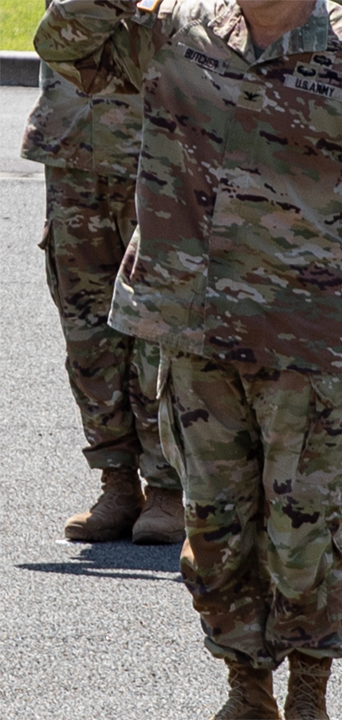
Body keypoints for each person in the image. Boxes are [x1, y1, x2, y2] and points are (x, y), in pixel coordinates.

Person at [35, 0, 342, 710]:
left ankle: (310, 692)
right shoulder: (176, 30)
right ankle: (247, 688)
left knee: (303, 536)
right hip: (195, 330)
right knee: (216, 532)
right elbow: (63, 45)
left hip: (309, 340)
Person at [23, 60, 183, 546]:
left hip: (160, 151)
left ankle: (168, 488)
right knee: (86, 331)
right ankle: (117, 484)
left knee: (156, 328)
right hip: (73, 147)